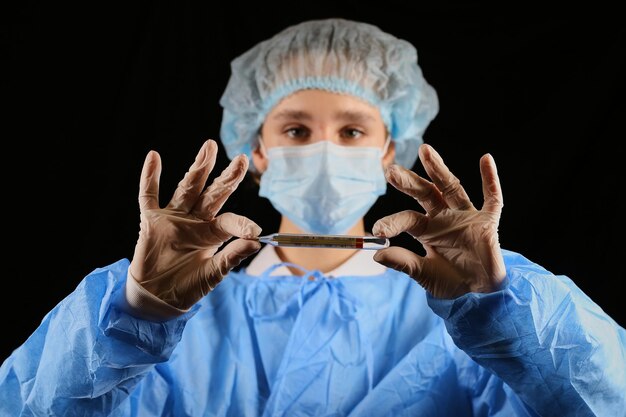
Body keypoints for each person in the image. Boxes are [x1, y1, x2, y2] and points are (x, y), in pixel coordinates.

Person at [1, 17, 624, 416]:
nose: (324, 149)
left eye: (352, 130)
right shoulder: (178, 314)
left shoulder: (462, 316)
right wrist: (134, 315)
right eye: (296, 129)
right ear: (259, 150)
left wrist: (503, 306)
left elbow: (606, 401)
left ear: (389, 150)